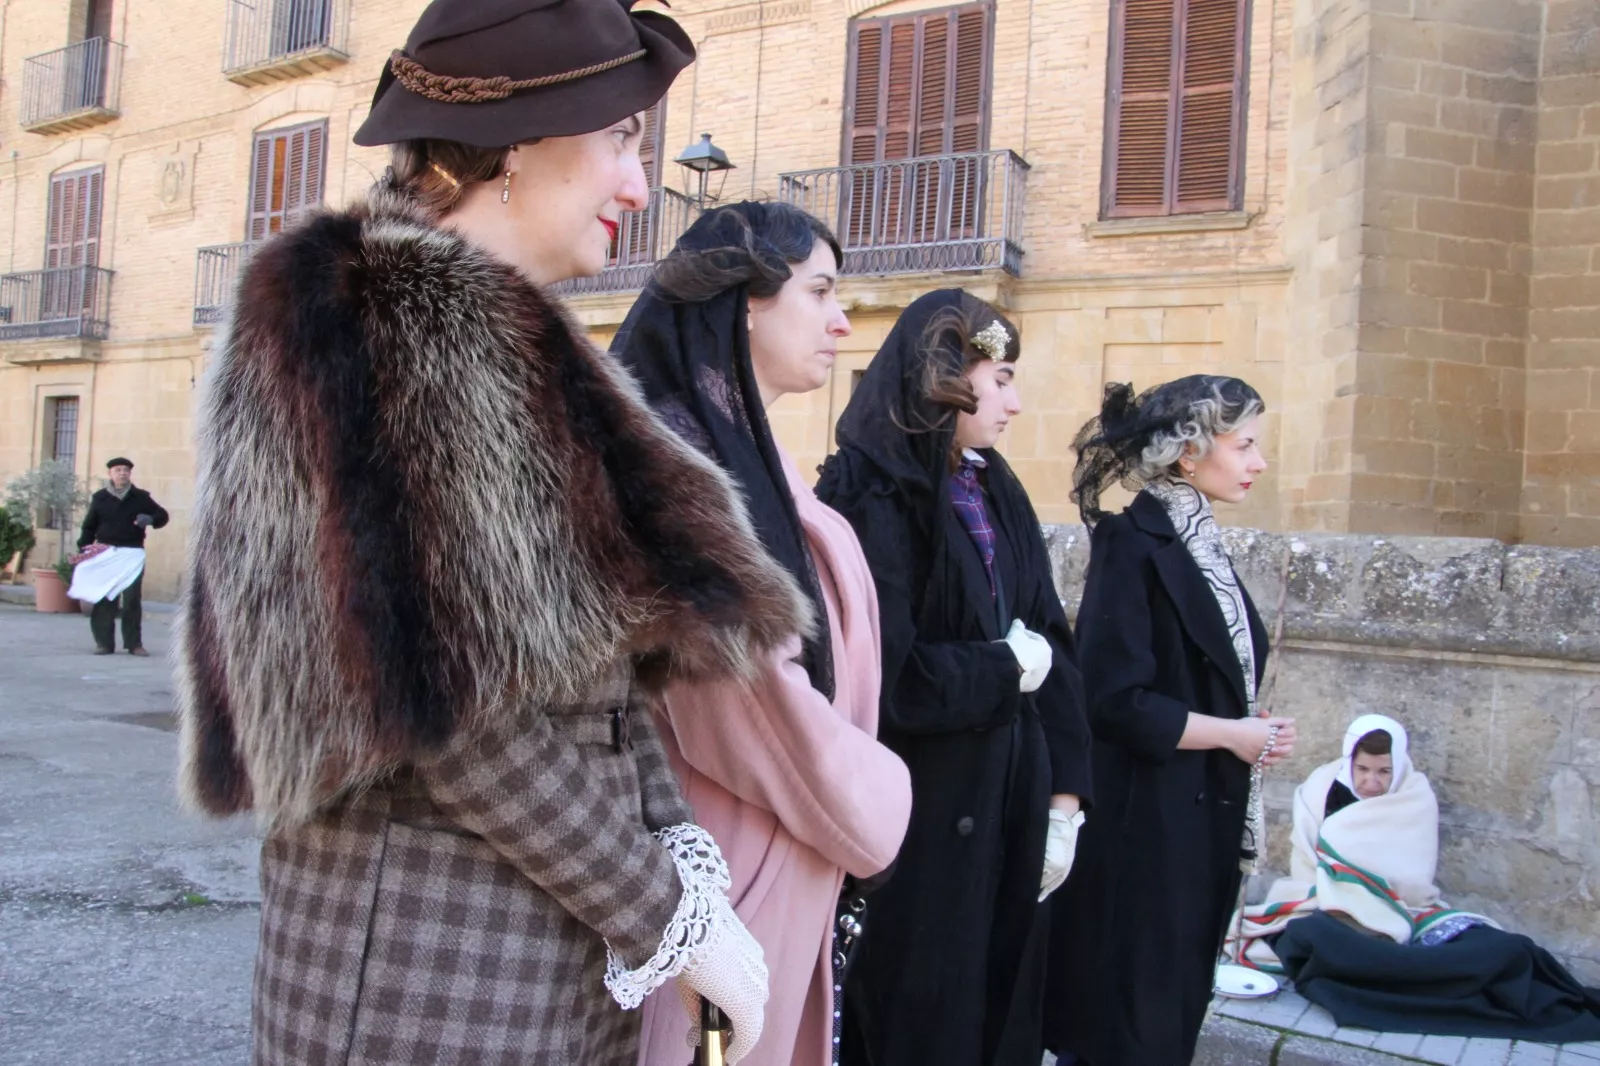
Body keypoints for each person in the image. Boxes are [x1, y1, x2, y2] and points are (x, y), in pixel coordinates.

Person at [173, 3, 799, 1063]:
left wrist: (682, 857)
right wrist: (672, 920)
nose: (640, 187)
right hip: (424, 965)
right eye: (620, 142)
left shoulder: (510, 336)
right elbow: (458, 719)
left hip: (533, 943)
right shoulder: (372, 316)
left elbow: (604, 679)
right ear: (518, 141)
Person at [612, 201, 913, 1066]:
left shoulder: (748, 462)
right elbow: (748, 709)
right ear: (745, 303)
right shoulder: (678, 474)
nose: (843, 321)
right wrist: (881, 803)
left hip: (784, 853)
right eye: (819, 292)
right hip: (730, 872)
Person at [814, 289, 1093, 1066]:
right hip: (923, 831)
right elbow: (888, 678)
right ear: (944, 375)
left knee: (1000, 1024)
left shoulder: (995, 484)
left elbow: (1055, 642)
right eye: (998, 378)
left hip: (1011, 804)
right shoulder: (873, 489)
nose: (1015, 400)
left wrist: (1065, 801)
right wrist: (1005, 666)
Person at [1045, 375, 1297, 1066]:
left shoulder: (1201, 543)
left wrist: (1253, 729)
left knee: (1165, 1020)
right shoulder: (1134, 542)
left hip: (1194, 822)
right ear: (1190, 454)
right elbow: (1112, 699)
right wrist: (1231, 734)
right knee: (1128, 1027)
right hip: (1146, 833)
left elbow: (1200, 679)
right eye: (1244, 446)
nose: (1258, 462)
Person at [1230, 715, 1600, 1045]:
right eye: (1363, 769)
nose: (1371, 782)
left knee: (1505, 949)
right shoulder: (1317, 791)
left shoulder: (1413, 796)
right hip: (1326, 909)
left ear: (1398, 768)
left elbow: (1411, 877)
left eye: (1383, 772)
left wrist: (1376, 903)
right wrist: (1345, 894)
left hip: (1407, 911)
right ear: (1348, 761)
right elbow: (1307, 867)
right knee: (1314, 939)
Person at [74, 456, 167, 656]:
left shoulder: (141, 497)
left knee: (132, 598)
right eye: (118, 470)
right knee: (105, 597)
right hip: (107, 553)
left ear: (130, 473)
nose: (122, 473)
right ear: (111, 474)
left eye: (126, 470)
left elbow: (162, 515)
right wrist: (84, 549)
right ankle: (104, 643)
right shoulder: (100, 498)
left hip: (132, 553)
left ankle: (134, 644)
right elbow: (89, 526)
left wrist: (150, 518)